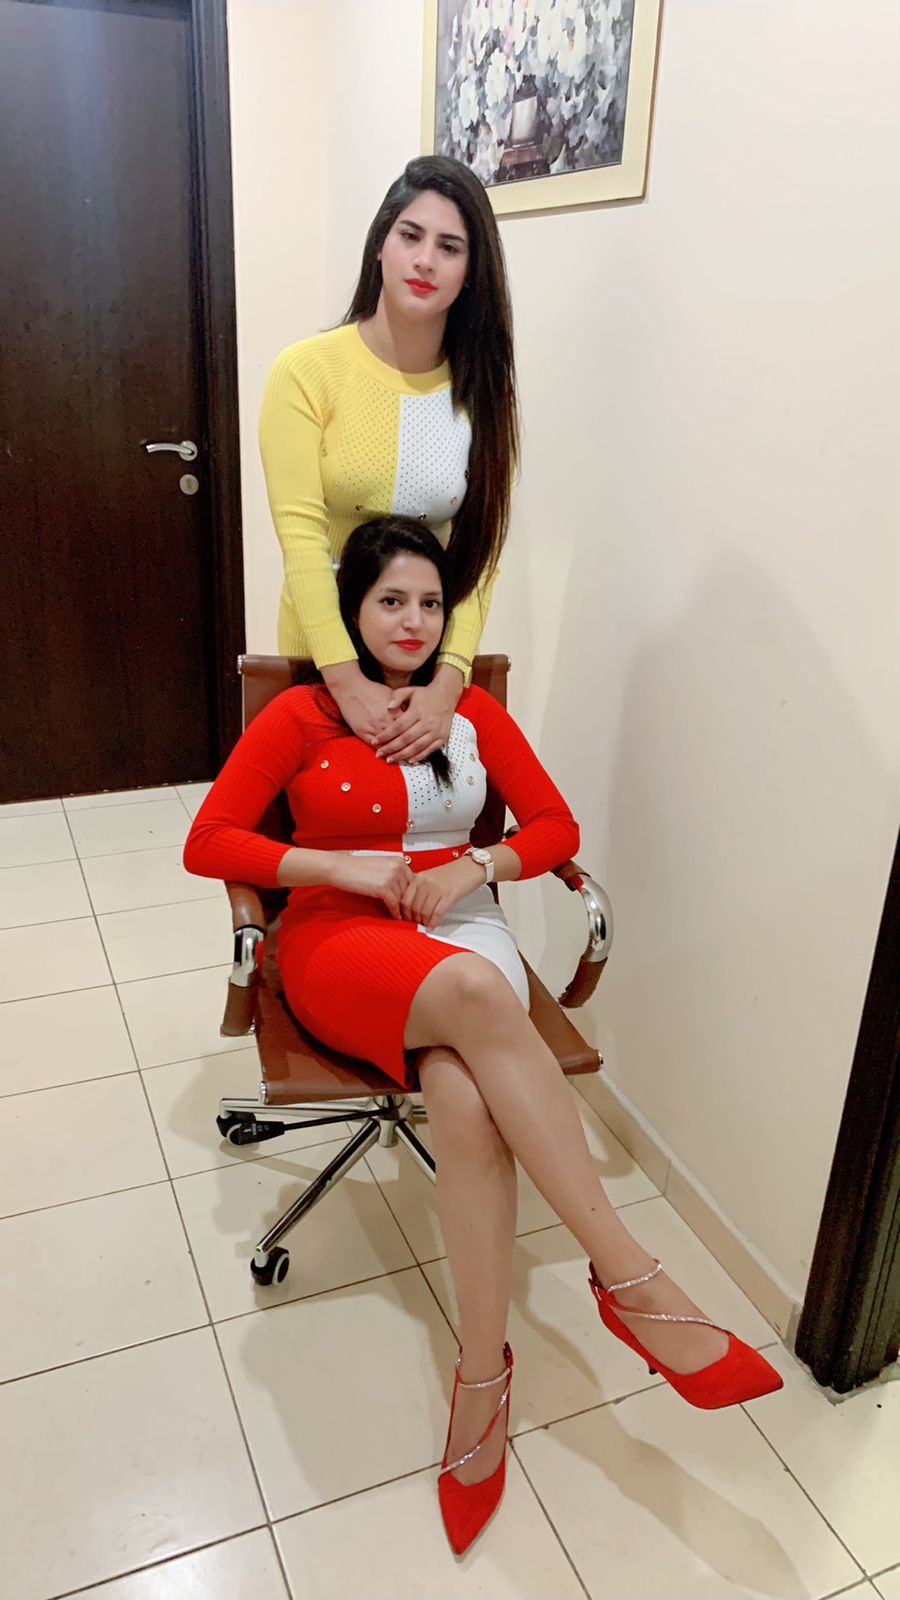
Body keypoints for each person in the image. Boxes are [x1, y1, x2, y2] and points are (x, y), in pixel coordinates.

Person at [184, 517, 782, 1557]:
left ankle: (480, 1376)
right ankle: (632, 1280)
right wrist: (342, 868)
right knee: (474, 997)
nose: (413, 621)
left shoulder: (470, 714)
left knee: (463, 1101)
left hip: (461, 926)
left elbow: (554, 828)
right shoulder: (304, 713)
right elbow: (211, 840)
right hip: (340, 940)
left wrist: (477, 867)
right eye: (390, 601)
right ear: (352, 611)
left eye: (430, 602)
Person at [259, 154, 518, 769]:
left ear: (470, 273)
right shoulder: (306, 372)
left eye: (450, 247)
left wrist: (447, 683)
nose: (425, 260)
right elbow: (301, 541)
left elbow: (479, 551)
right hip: (321, 663)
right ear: (381, 244)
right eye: (410, 236)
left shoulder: (481, 389)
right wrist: (347, 682)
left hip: (426, 673)